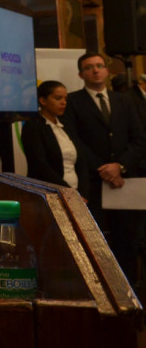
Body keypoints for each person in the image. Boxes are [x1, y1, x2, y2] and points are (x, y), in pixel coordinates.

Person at [62, 52, 146, 283]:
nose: (96, 70)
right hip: (94, 183)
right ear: (81, 74)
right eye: (89, 67)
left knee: (128, 242)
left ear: (107, 71)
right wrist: (104, 168)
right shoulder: (73, 102)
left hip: (125, 182)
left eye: (100, 66)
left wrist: (120, 166)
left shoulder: (124, 100)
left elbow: (139, 139)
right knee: (96, 243)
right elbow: (74, 140)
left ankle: (131, 297)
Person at [20, 81, 89, 199]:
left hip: (76, 192)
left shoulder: (67, 125)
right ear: (43, 100)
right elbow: (40, 164)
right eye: (58, 98)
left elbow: (81, 161)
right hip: (48, 193)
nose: (63, 102)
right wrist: (67, 191)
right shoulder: (33, 126)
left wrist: (82, 192)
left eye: (65, 99)